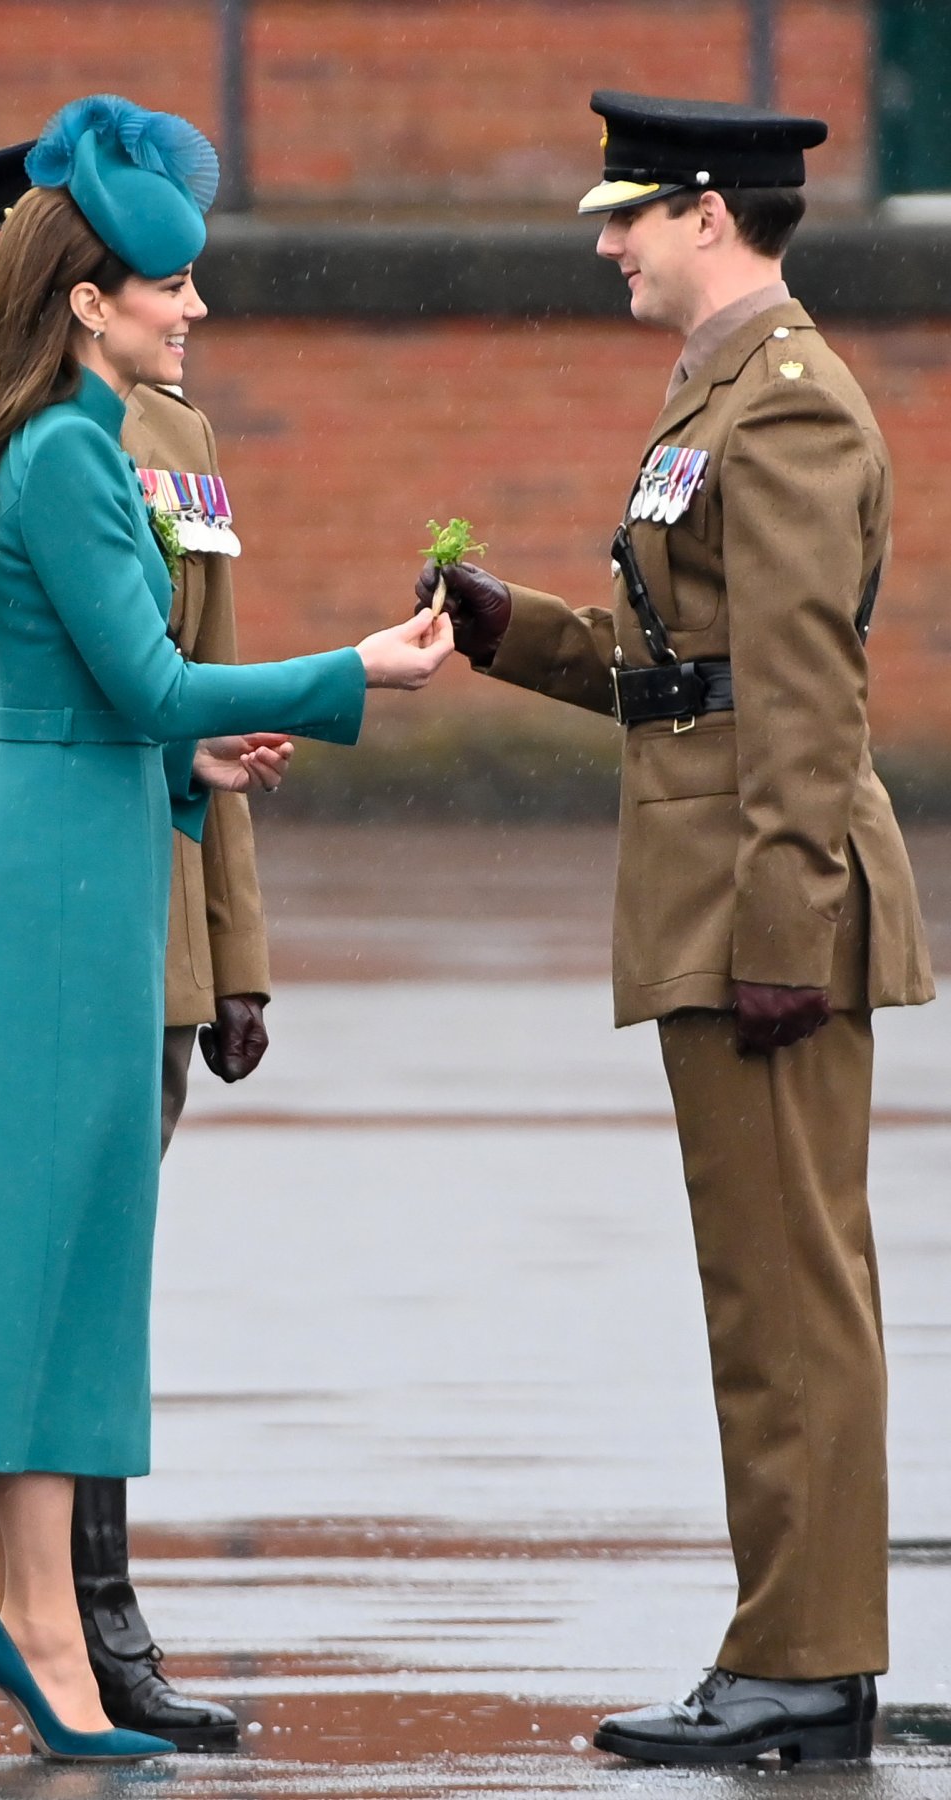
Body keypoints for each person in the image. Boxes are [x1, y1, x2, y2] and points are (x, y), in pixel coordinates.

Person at [0, 94, 451, 1763]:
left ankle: (38, 1635)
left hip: (69, 848)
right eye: (169, 285)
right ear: (89, 297)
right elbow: (137, 677)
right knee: (29, 1275)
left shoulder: (44, 438)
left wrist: (184, 753)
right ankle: (38, 1643)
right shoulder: (66, 449)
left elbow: (31, 694)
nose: (194, 307)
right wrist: (361, 671)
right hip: (61, 889)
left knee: (60, 1274)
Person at [419, 89, 933, 1769]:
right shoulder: (721, 391)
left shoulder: (782, 406)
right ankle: (786, 1646)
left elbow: (801, 691)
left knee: (792, 1297)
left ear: (711, 213)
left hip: (759, 899)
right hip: (722, 883)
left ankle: (804, 1660)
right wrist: (513, 635)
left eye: (629, 212)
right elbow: (683, 663)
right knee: (761, 1294)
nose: (605, 240)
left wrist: (785, 920)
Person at [0, 137, 276, 1752]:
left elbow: (194, 692)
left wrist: (232, 950)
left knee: (90, 1270)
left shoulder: (177, 433)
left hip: (131, 910)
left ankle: (93, 1621)